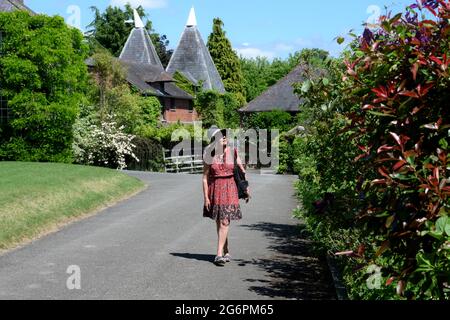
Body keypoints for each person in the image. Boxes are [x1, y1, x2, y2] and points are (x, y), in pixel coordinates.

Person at [202, 128, 250, 266]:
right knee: (220, 221)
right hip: (215, 189)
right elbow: (205, 178)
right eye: (220, 135)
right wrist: (206, 197)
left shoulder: (233, 152)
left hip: (230, 189)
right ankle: (226, 248)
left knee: (224, 221)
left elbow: (242, 171)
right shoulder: (209, 155)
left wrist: (246, 188)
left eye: (225, 135)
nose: (224, 137)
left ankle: (218, 255)